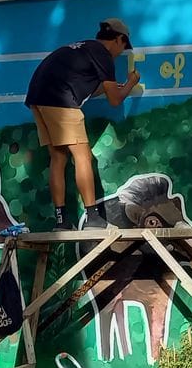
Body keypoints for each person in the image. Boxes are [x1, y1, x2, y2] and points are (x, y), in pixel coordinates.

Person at [24, 17, 141, 230]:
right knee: (83, 156)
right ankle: (93, 217)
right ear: (118, 39)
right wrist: (131, 83)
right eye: (123, 46)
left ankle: (61, 220)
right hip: (59, 99)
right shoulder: (103, 56)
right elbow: (115, 100)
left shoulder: (83, 49)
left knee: (58, 157)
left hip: (37, 97)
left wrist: (109, 87)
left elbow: (86, 86)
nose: (120, 52)